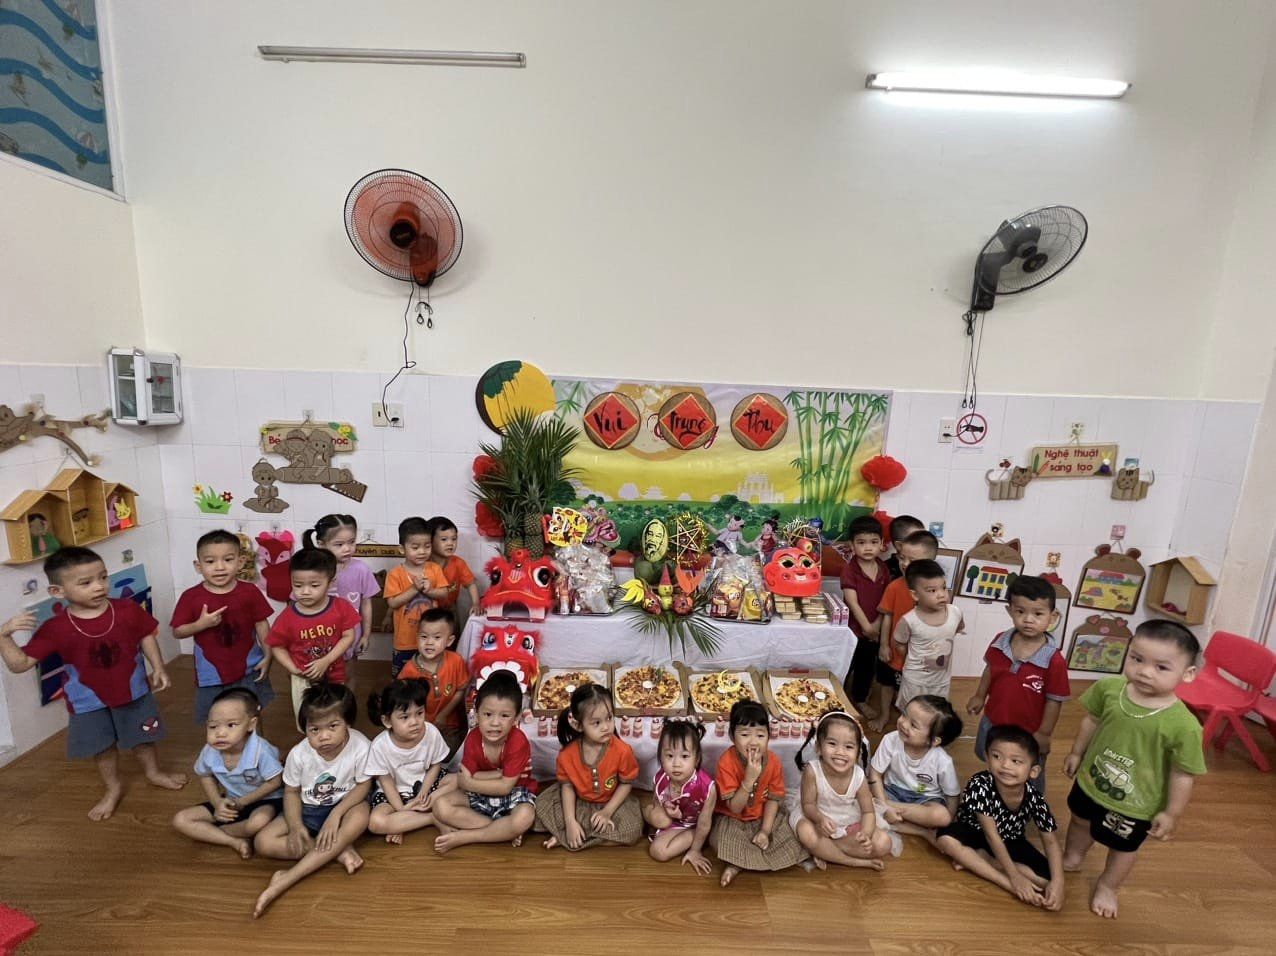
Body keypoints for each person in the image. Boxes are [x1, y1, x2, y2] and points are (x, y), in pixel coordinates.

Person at [0, 547, 186, 821]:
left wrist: (158, 667)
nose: (99, 586)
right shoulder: (55, 628)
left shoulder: (126, 609)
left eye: (103, 577)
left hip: (134, 692)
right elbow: (20, 664)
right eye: (86, 582)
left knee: (143, 738)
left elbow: (146, 635)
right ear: (57, 591)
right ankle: (113, 788)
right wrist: (4, 636)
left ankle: (154, 773)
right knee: (102, 746)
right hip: (87, 702)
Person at [1062, 619, 1205, 919]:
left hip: (1136, 804)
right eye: (1137, 659)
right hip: (1091, 780)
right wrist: (1076, 752)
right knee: (1079, 820)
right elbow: (1091, 721)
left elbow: (1183, 773)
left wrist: (1171, 813)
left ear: (1188, 674)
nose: (1144, 671)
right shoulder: (1109, 689)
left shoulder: (1184, 725)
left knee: (1123, 847)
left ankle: (1108, 886)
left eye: (1161, 667)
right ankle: (1073, 856)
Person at [252, 683, 372, 918]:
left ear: (348, 722)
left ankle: (286, 880)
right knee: (262, 842)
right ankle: (338, 850)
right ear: (304, 728)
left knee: (361, 815)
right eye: (314, 729)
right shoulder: (299, 754)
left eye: (333, 726)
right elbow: (291, 792)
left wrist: (336, 814)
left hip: (346, 806)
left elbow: (363, 786)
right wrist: (296, 826)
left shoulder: (361, 746)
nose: (323, 736)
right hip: (308, 808)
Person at [936, 724, 1065, 910]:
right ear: (987, 758)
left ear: (1033, 771)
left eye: (1016, 761)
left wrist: (1059, 884)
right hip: (975, 832)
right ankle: (1001, 879)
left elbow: (1051, 841)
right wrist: (1015, 879)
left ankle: (984, 860)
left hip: (1011, 839)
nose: (1005, 765)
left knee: (1047, 879)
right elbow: (991, 835)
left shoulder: (1034, 797)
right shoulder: (980, 784)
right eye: (997, 756)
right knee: (946, 840)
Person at [967, 575, 1070, 791]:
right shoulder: (999, 641)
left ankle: (1030, 803)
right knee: (994, 762)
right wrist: (979, 695)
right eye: (1020, 612)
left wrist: (1044, 733)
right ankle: (995, 791)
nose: (1028, 619)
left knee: (1029, 774)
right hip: (994, 721)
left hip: (1029, 732)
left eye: (1038, 614)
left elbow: (1054, 700)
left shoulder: (1054, 660)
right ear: (1010, 611)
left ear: (1052, 616)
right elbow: (990, 669)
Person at [170, 529, 276, 722]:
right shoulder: (191, 597)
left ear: (240, 562)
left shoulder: (249, 591)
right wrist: (200, 624)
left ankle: (255, 743)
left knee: (252, 715)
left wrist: (268, 655)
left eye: (228, 559)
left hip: (249, 669)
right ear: (198, 566)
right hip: (211, 674)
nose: (220, 567)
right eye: (210, 561)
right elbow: (178, 631)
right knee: (216, 719)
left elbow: (261, 624)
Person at [431, 669, 537, 853]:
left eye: (504, 716)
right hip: (481, 794)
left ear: (517, 718)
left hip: (515, 794)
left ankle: (467, 836)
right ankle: (501, 830)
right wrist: (497, 774)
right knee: (440, 806)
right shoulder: (473, 738)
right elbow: (464, 778)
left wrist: (471, 782)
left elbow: (505, 787)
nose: (495, 723)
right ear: (477, 713)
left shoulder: (518, 741)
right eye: (488, 714)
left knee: (525, 816)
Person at [172, 687, 282, 857]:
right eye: (213, 726)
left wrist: (243, 801)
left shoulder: (261, 750)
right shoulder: (210, 750)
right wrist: (217, 802)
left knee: (257, 822)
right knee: (180, 820)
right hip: (231, 800)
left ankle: (217, 831)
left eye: (231, 725)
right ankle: (234, 841)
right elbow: (205, 775)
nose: (220, 733)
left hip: (264, 800)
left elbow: (275, 782)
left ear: (251, 724)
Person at [710, 700, 808, 886]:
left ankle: (742, 861)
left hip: (763, 815)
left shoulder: (773, 761)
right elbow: (735, 808)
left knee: (793, 835)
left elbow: (773, 798)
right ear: (732, 736)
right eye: (745, 734)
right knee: (719, 840)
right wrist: (748, 780)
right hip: (733, 818)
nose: (753, 742)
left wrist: (765, 830)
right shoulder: (726, 762)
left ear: (768, 737)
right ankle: (736, 864)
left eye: (760, 735)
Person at [536, 683, 642, 851]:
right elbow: (567, 787)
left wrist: (607, 813)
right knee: (542, 807)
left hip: (610, 802)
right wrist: (570, 822)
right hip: (579, 802)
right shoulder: (567, 755)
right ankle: (574, 833)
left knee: (632, 829)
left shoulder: (623, 751)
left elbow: (626, 784)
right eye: (596, 723)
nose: (606, 727)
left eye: (609, 718)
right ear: (578, 725)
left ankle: (565, 837)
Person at [791, 710, 897, 870]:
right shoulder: (812, 771)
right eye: (832, 744)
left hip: (846, 819)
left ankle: (824, 850)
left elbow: (868, 812)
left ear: (858, 752)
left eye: (848, 747)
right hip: (816, 817)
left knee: (884, 843)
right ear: (818, 747)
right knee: (806, 832)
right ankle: (851, 861)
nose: (840, 752)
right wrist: (819, 819)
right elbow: (808, 805)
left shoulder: (859, 776)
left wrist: (866, 834)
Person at [265, 547, 359, 719]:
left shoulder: (341, 607)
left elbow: (349, 636)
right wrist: (292, 668)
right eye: (297, 585)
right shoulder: (287, 617)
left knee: (336, 715)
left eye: (314, 585)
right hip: (303, 679)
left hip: (335, 675)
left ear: (331, 582)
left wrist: (326, 660)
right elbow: (277, 646)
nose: (305, 591)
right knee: (307, 718)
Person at [364, 679, 451, 845]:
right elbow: (386, 782)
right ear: (387, 721)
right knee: (375, 822)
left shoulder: (431, 732)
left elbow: (436, 765)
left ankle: (404, 822)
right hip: (394, 795)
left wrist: (423, 793)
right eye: (405, 717)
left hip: (426, 788)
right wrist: (401, 809)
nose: (415, 722)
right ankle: (432, 817)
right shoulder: (380, 746)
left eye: (419, 713)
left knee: (458, 781)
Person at [871, 529, 939, 732]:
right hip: (893, 652)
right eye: (902, 558)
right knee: (886, 684)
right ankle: (884, 714)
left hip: (918, 657)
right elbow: (887, 617)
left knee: (915, 691)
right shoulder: (894, 586)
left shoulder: (935, 591)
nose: (904, 563)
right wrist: (884, 645)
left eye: (912, 560)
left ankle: (912, 722)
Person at [304, 515, 380, 696]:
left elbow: (366, 603)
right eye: (339, 544)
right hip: (319, 638)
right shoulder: (313, 570)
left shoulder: (361, 569)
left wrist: (366, 635)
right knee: (318, 678)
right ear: (321, 544)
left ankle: (347, 706)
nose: (347, 548)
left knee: (348, 674)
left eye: (351, 542)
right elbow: (300, 604)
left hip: (351, 636)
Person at [871, 694, 963, 838]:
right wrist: (884, 803)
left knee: (941, 816)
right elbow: (874, 774)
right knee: (862, 800)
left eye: (913, 725)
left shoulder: (943, 761)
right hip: (892, 791)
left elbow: (952, 795)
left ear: (934, 741)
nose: (903, 723)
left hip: (925, 799)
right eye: (904, 714)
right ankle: (922, 831)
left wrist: (948, 823)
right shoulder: (890, 740)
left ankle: (890, 813)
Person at [643, 717, 717, 875]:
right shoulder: (662, 776)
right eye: (669, 756)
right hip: (673, 820)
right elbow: (657, 798)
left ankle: (695, 838)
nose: (676, 764)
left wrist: (695, 850)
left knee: (658, 852)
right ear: (661, 756)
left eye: (684, 756)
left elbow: (704, 823)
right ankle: (650, 817)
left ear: (696, 759)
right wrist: (664, 806)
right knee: (659, 818)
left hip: (692, 825)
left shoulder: (707, 788)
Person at [382, 516, 449, 677]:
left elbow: (444, 593)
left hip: (432, 639)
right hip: (405, 641)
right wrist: (414, 589)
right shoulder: (395, 574)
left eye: (427, 546)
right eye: (415, 547)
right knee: (403, 679)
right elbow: (393, 603)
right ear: (402, 549)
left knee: (430, 676)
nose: (422, 551)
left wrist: (429, 590)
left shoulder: (434, 569)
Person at [397, 608, 469, 755]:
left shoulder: (456, 661)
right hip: (419, 729)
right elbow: (403, 703)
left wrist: (444, 714)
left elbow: (460, 690)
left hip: (449, 726)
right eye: (424, 637)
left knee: (451, 753)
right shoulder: (409, 670)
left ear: (449, 641)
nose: (429, 643)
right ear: (417, 637)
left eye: (437, 637)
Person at [892, 559, 964, 705]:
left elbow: (955, 630)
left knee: (937, 713)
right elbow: (899, 644)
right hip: (915, 681)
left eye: (943, 587)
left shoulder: (955, 612)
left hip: (941, 682)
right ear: (915, 595)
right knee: (911, 712)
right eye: (932, 591)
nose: (941, 595)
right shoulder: (909, 620)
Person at [840, 515, 891, 715]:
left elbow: (886, 600)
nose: (868, 548)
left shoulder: (883, 568)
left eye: (873, 542)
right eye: (861, 543)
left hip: (876, 630)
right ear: (851, 545)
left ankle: (860, 700)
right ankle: (839, 698)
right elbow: (852, 602)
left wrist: (877, 624)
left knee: (867, 668)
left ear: (882, 544)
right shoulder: (849, 570)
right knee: (846, 665)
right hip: (853, 630)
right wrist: (867, 626)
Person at [424, 516, 480, 616]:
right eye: (444, 539)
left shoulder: (458, 563)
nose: (450, 543)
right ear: (430, 541)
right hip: (427, 610)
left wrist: (476, 604)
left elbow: (471, 584)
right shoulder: (423, 564)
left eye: (454, 539)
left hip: (450, 609)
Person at [884, 514, 925, 579]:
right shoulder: (884, 571)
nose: (923, 543)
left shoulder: (925, 565)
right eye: (916, 540)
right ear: (899, 546)